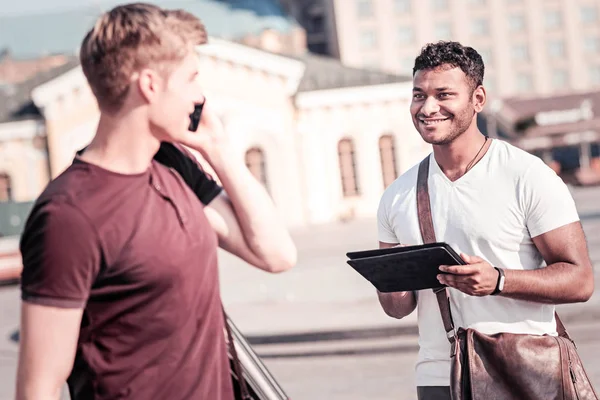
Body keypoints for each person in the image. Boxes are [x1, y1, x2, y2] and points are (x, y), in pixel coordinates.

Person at [15, 3, 297, 400]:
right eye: (191, 79)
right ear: (150, 85)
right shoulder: (68, 215)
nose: (200, 96)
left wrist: (218, 148)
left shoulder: (173, 167)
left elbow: (276, 255)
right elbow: (38, 385)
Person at [376, 41, 594, 400]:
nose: (428, 108)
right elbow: (397, 308)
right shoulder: (397, 196)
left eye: (443, 94)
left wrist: (499, 280)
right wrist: (391, 279)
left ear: (478, 99)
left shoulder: (526, 176)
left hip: (522, 368)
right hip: (438, 375)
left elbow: (580, 280)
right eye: (419, 95)